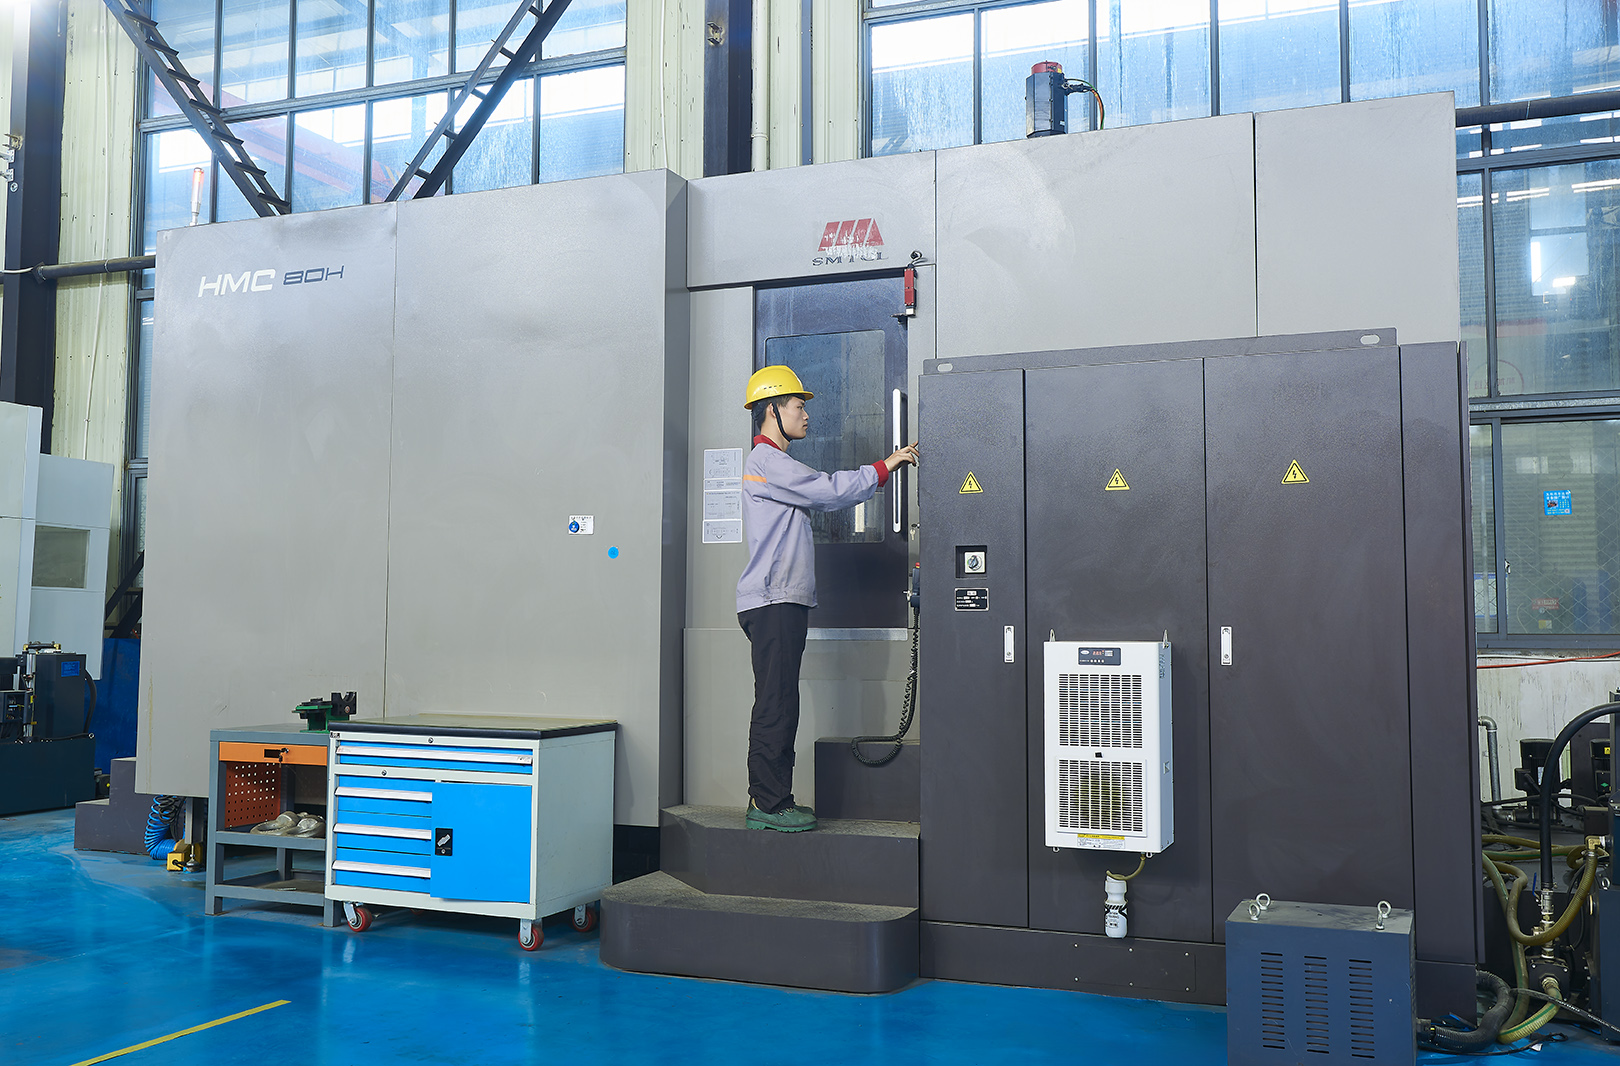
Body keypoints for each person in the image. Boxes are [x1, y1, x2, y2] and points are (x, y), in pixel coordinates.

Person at [736, 365, 919, 832]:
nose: (806, 415)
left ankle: (772, 798)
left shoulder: (771, 464)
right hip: (773, 600)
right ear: (772, 410)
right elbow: (828, 490)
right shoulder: (768, 462)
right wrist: (885, 466)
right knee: (776, 704)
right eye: (799, 406)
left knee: (781, 701)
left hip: (780, 599)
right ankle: (767, 803)